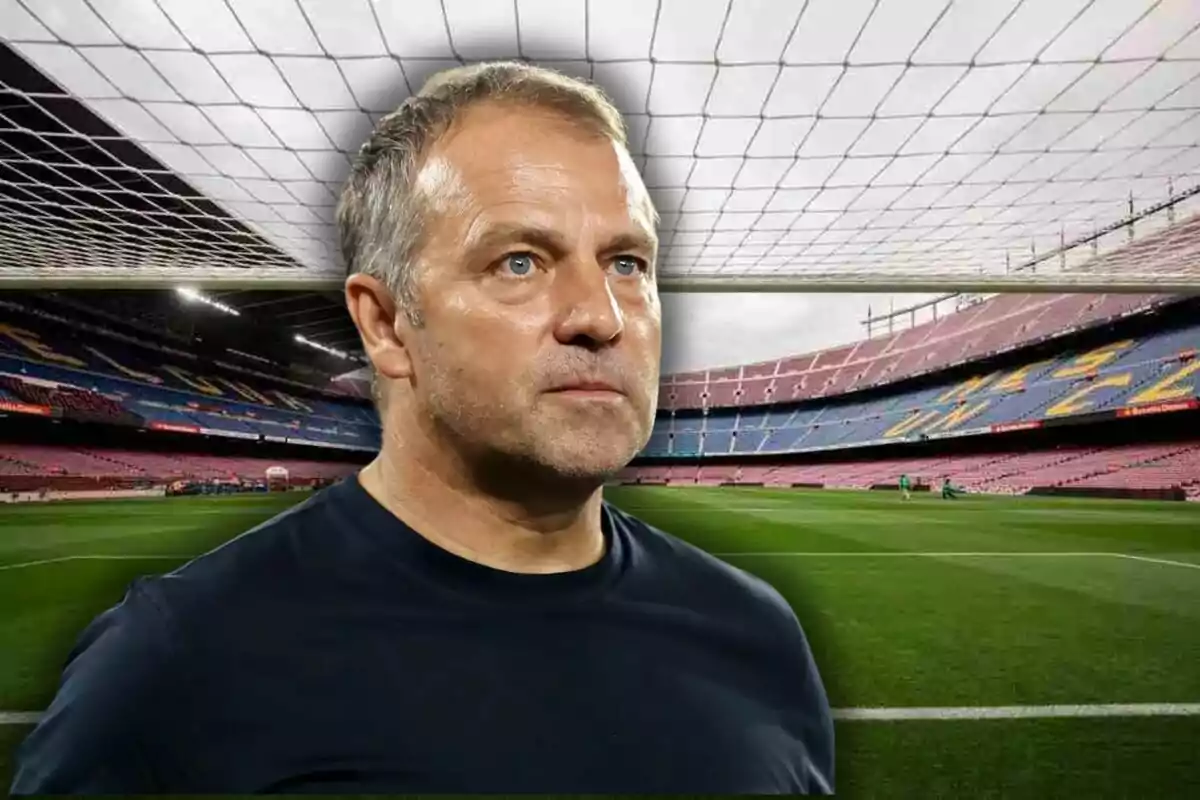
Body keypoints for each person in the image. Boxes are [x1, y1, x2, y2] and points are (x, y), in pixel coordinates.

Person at [11, 62, 834, 795]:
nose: (601, 315)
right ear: (387, 325)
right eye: (520, 261)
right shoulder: (177, 665)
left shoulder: (757, 636)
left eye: (628, 262)